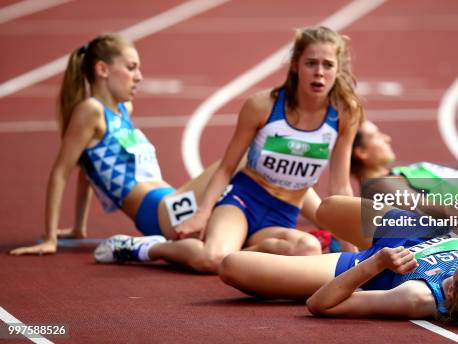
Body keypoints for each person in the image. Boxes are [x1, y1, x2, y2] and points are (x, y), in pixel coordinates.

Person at [94, 26, 363, 273]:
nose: (319, 72)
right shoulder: (263, 106)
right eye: (311, 63)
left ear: (337, 70)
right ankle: (145, 248)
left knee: (308, 249)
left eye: (328, 65)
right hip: (243, 201)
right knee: (213, 260)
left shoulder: (343, 114)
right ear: (295, 66)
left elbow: (340, 187)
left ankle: (237, 249)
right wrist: (202, 214)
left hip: (283, 215)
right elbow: (226, 167)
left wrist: (354, 257)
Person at [218, 196, 458, 327]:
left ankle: (261, 228)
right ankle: (309, 236)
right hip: (416, 227)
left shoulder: (417, 297)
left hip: (369, 263)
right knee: (329, 208)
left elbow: (320, 304)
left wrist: (373, 266)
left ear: (452, 287)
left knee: (232, 266)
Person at [9, 34, 226, 257]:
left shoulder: (124, 110)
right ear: (102, 69)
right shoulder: (91, 111)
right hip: (159, 211)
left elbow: (87, 170)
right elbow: (61, 172)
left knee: (233, 241)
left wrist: (78, 227)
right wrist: (49, 238)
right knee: (237, 160)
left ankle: (148, 248)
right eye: (131, 68)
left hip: (174, 202)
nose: (139, 77)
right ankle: (141, 247)